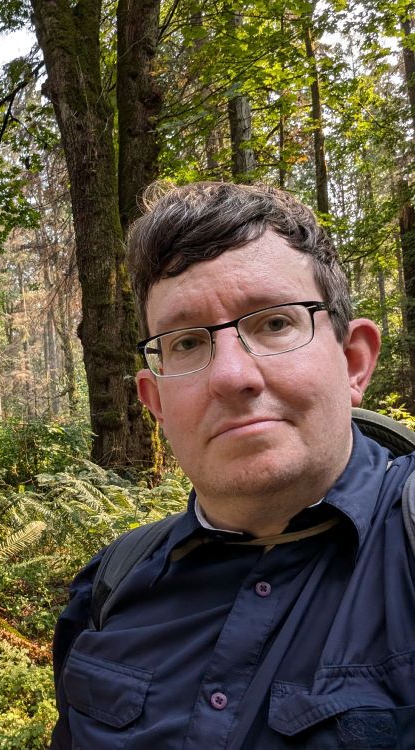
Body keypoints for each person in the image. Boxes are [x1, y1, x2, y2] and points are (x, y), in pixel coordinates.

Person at [50, 182, 415, 749]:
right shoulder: (108, 591)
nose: (230, 376)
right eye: (188, 342)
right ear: (157, 403)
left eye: (274, 323)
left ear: (353, 362)